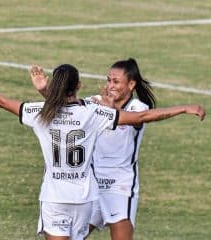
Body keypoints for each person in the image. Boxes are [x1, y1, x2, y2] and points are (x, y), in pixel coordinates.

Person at [0, 63, 205, 240]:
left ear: (55, 87)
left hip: (54, 198)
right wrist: (183, 108)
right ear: (79, 85)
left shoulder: (40, 112)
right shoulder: (93, 113)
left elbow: (1, 101)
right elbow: (142, 115)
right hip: (84, 198)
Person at [30, 59, 156, 240]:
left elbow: (138, 119)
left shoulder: (138, 107)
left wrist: (112, 112)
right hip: (92, 184)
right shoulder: (94, 102)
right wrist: (44, 91)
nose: (110, 85)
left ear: (131, 84)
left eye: (116, 81)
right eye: (108, 80)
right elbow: (67, 108)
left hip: (119, 186)